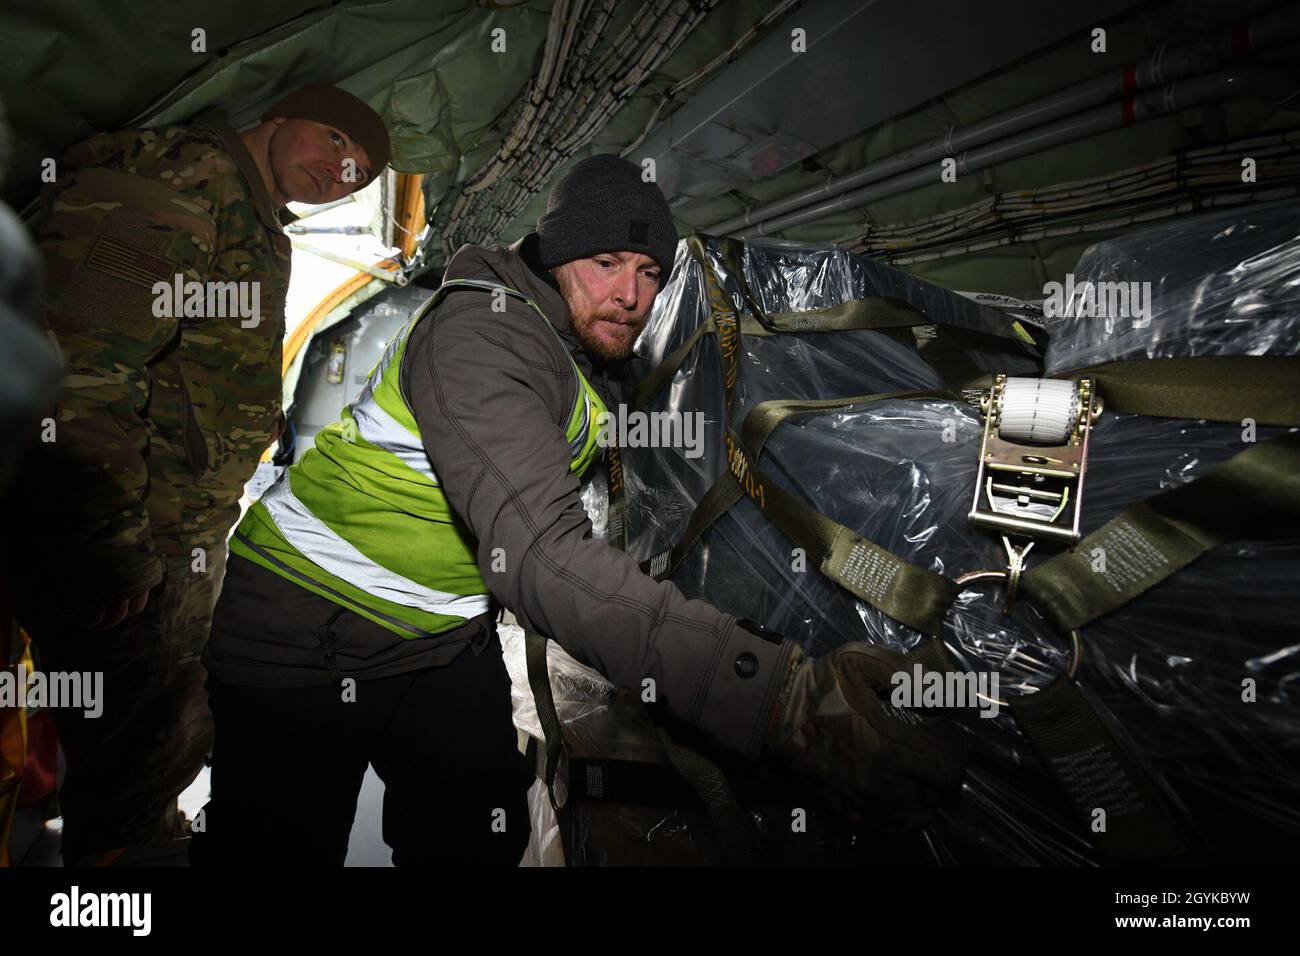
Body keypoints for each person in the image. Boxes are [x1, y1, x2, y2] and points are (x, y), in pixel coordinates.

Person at [190, 155, 965, 867]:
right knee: (276, 851)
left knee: (476, 828)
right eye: (604, 263)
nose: (629, 294)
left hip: (438, 633)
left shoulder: (577, 348)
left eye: (650, 271)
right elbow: (541, 558)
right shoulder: (481, 341)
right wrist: (775, 696)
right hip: (308, 624)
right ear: (555, 254)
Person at [10, 84, 390, 864]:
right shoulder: (177, 188)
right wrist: (110, 548)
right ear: (280, 113)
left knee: (153, 736)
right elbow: (81, 378)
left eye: (356, 172)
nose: (340, 171)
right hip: (132, 538)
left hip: (171, 531)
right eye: (332, 140)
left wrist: (253, 416)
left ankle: (137, 845)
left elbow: (185, 356)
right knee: (133, 753)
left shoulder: (241, 208)